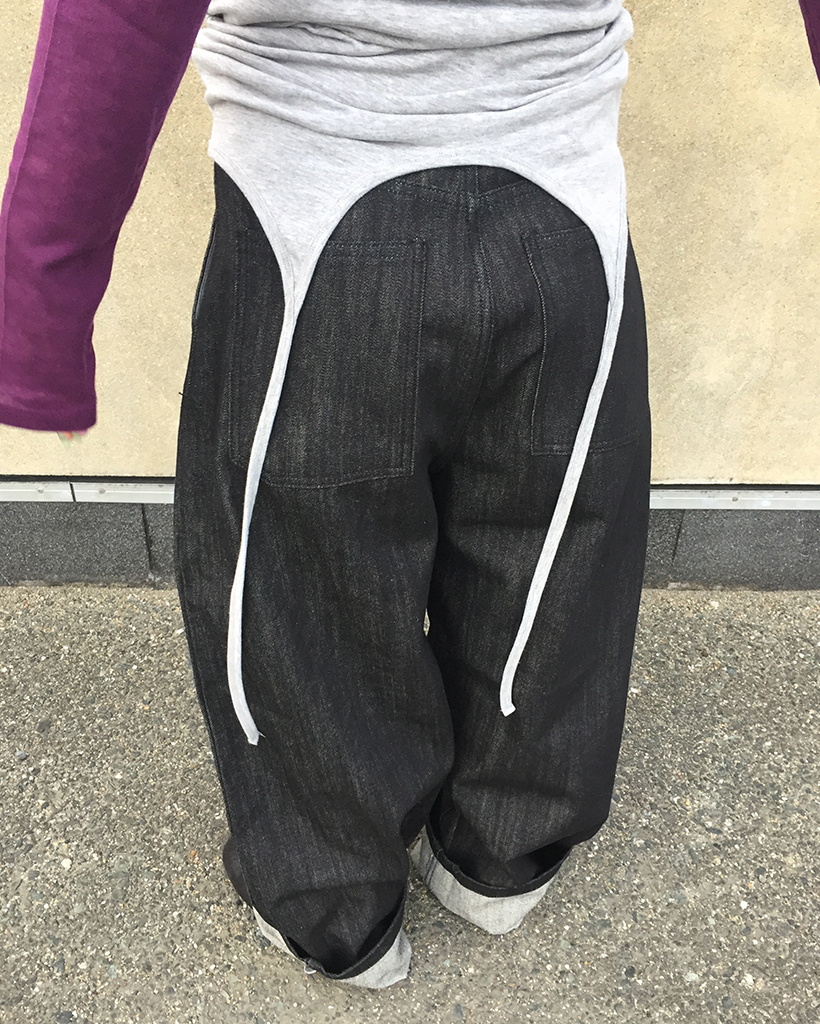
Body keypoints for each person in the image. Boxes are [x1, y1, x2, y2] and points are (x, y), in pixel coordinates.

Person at [1, 0, 652, 989]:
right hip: (566, 211)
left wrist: (39, 302)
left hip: (311, 212)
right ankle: (503, 852)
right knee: (550, 552)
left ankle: (337, 901)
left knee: (299, 592)